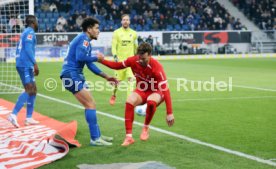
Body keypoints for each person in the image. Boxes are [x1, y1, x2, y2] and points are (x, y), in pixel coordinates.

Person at [97, 42, 175, 146]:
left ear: (150, 55)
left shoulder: (157, 67)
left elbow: (166, 90)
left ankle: (145, 127)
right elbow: (117, 66)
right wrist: (102, 61)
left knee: (151, 102)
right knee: (129, 101)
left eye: (144, 59)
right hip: (142, 90)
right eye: (140, 58)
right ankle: (129, 137)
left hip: (156, 91)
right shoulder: (133, 60)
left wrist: (169, 113)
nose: (141, 61)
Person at [60, 17, 118, 146]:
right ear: (89, 29)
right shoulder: (84, 39)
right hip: (72, 74)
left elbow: (89, 64)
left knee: (90, 104)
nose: (99, 31)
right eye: (97, 28)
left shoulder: (85, 41)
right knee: (90, 104)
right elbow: (81, 58)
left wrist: (106, 76)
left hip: (74, 74)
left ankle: (97, 136)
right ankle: (95, 138)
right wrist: (96, 58)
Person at [8, 15, 40, 128]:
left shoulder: (25, 32)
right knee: (29, 89)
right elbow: (27, 49)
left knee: (33, 90)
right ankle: (13, 114)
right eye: (36, 21)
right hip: (25, 64)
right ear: (33, 22)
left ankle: (29, 118)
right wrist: (35, 63)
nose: (37, 23)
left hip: (24, 64)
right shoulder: (30, 32)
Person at [109, 14, 138, 106]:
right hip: (120, 63)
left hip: (131, 63)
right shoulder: (116, 32)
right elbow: (113, 46)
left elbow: (136, 47)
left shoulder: (134, 34)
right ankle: (114, 95)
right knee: (116, 83)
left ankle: (129, 102)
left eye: (127, 20)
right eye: (124, 20)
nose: (125, 21)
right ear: (121, 21)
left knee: (131, 80)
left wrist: (138, 57)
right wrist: (115, 56)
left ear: (129, 21)